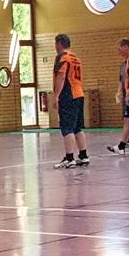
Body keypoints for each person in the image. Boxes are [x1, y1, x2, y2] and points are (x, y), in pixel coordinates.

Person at [52, 34, 89, 168]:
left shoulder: (62, 57)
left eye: (55, 44)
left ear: (59, 44)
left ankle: (69, 158)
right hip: (79, 94)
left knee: (67, 127)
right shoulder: (76, 58)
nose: (55, 47)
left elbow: (61, 76)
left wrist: (56, 95)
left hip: (68, 95)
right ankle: (83, 156)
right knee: (77, 127)